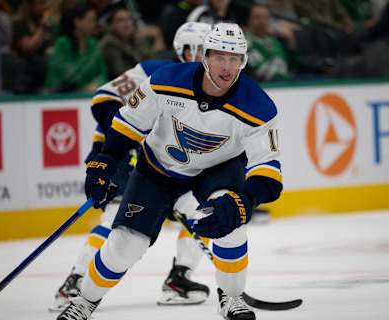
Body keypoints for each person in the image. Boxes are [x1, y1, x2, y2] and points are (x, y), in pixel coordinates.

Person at [56, 22, 283, 320]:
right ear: (205, 56)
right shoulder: (164, 79)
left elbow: (269, 173)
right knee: (126, 244)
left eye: (234, 59)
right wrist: (106, 159)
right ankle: (84, 301)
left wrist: (245, 201)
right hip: (157, 169)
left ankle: (230, 296)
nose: (226, 67)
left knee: (231, 222)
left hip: (216, 169)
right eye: (219, 57)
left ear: (243, 62)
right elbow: (126, 123)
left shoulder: (259, 107)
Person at [50, 22, 214, 312]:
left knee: (203, 212)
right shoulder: (153, 70)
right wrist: (135, 131)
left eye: (208, 51)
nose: (203, 57)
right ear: (182, 50)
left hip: (166, 167)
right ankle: (76, 280)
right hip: (122, 156)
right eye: (198, 50)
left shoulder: (209, 89)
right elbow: (103, 99)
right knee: (115, 215)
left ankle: (180, 279)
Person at [45, 4, 107, 93]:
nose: (94, 24)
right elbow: (68, 75)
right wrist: (86, 86)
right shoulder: (62, 43)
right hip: (59, 94)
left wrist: (97, 83)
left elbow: (102, 73)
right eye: (90, 21)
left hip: (90, 93)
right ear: (77, 22)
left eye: (94, 21)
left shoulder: (94, 44)